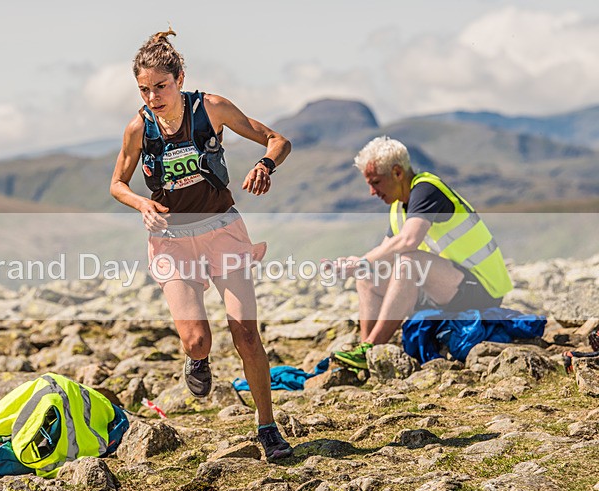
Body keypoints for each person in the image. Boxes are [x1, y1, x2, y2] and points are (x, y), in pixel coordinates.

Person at [109, 29, 293, 461]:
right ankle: (197, 359)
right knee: (196, 341)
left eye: (161, 86)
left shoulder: (211, 108)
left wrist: (265, 165)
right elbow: (117, 184)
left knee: (245, 333)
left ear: (180, 79)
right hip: (171, 241)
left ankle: (267, 427)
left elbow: (278, 140)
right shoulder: (138, 128)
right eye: (144, 89)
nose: (153, 97)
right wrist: (142, 204)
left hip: (222, 231)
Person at [327, 136, 513, 370]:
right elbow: (384, 252)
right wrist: (357, 264)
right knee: (367, 274)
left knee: (409, 262)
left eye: (376, 182)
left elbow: (409, 240)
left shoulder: (427, 190)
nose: (372, 192)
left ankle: (371, 347)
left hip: (482, 289)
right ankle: (365, 355)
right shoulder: (399, 206)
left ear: (397, 172)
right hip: (444, 286)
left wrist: (362, 261)